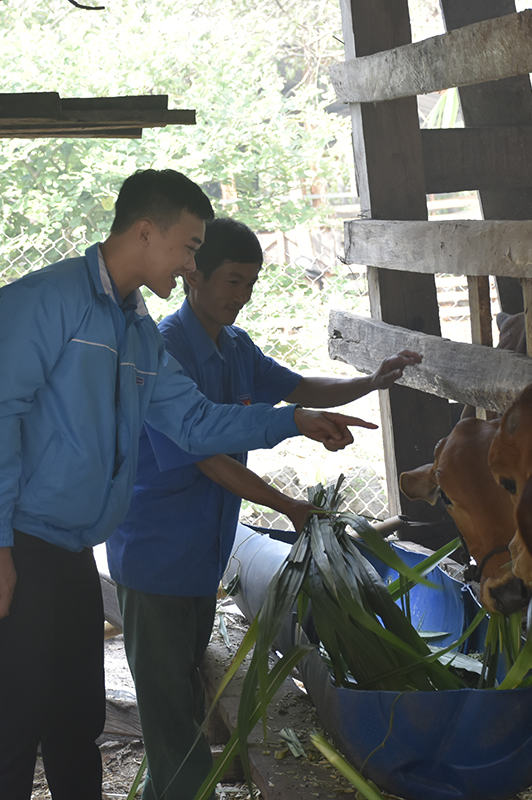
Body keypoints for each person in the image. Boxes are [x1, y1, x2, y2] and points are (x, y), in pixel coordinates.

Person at [0, 171, 374, 800]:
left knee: (76, 718)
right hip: (10, 532)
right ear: (145, 232)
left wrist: (293, 420)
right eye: (189, 246)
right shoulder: (43, 301)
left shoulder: (137, 330)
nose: (191, 264)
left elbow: (196, 420)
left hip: (67, 543)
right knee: (17, 711)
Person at [107, 216, 422, 800]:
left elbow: (299, 387)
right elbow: (204, 454)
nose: (241, 296)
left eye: (250, 283)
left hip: (202, 553)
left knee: (179, 702)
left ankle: (166, 790)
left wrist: (372, 381)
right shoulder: (165, 350)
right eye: (231, 280)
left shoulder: (234, 348)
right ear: (194, 274)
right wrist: (287, 505)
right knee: (169, 711)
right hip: (156, 557)